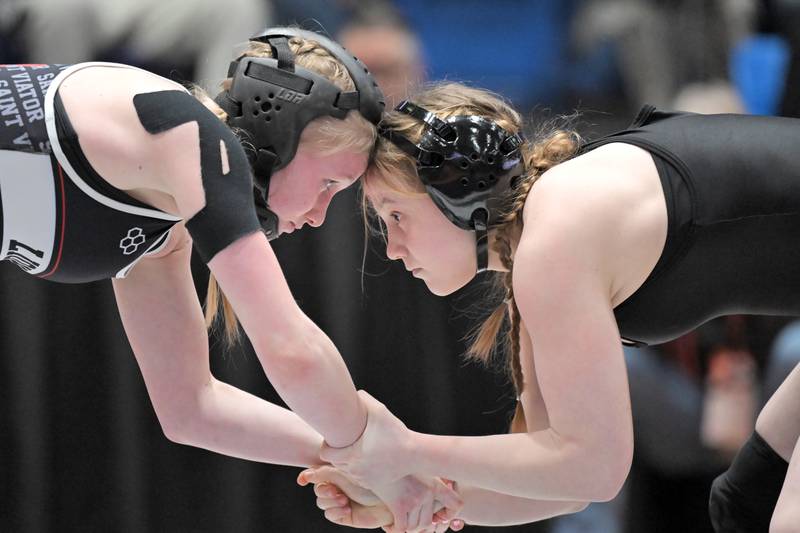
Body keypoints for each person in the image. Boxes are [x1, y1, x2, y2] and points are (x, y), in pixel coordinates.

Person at [0, 27, 461, 532]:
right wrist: (383, 453)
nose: (319, 217)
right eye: (329, 183)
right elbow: (292, 351)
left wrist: (352, 461)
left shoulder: (164, 226)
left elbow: (191, 409)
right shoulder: (185, 134)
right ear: (280, 135)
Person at [296, 82, 800, 530]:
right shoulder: (539, 245)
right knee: (744, 504)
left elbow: (596, 469)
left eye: (396, 215)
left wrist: (406, 449)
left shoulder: (553, 237)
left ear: (457, 190)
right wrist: (413, 493)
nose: (392, 248)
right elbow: (566, 484)